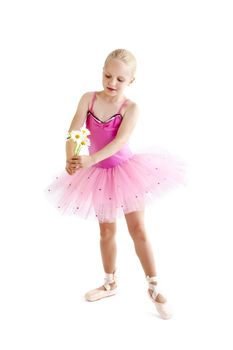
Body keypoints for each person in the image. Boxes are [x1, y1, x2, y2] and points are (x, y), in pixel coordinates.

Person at [44, 48, 187, 319]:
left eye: (120, 79)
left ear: (131, 81)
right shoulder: (88, 98)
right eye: (108, 75)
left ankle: (153, 286)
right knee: (106, 232)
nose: (112, 83)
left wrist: (91, 158)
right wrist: (71, 158)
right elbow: (75, 130)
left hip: (125, 171)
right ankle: (110, 282)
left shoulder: (131, 108)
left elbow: (120, 141)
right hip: (97, 175)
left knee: (138, 229)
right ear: (102, 71)